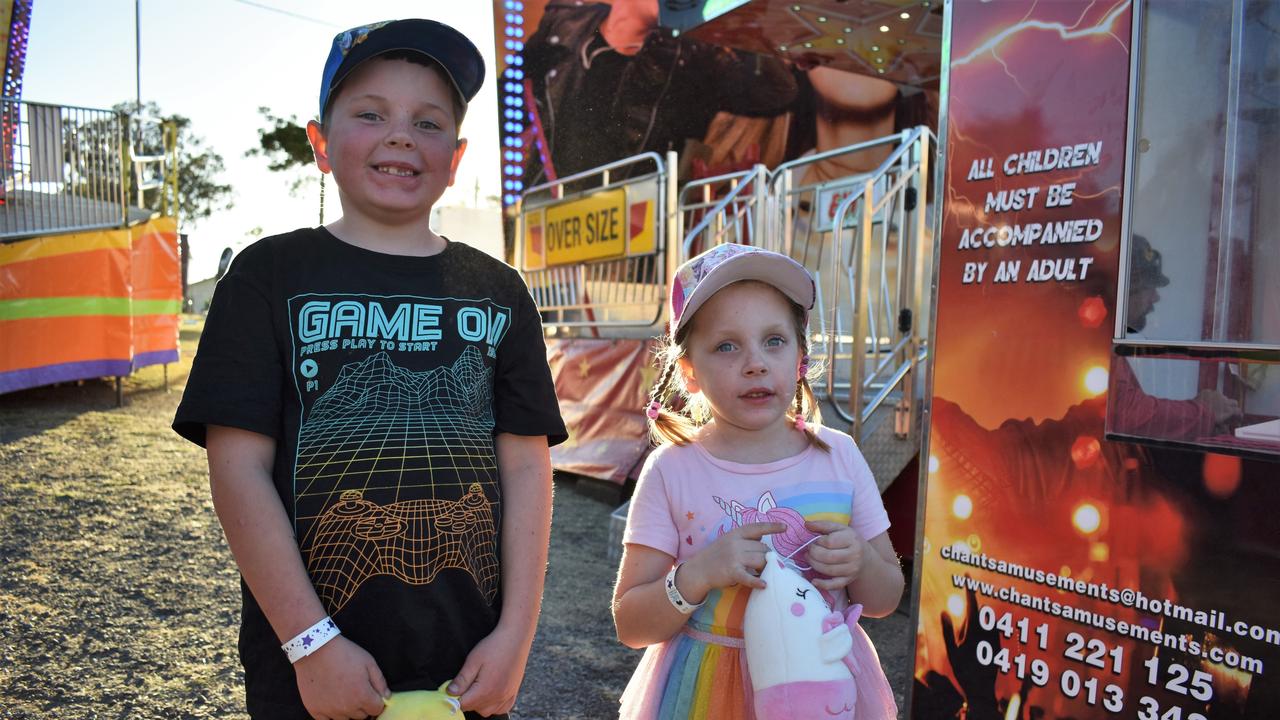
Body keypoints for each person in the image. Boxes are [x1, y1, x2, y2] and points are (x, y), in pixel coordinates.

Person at [172, 19, 566, 720]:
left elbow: (528, 469)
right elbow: (237, 469)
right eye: (370, 114)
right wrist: (312, 642)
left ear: (456, 155)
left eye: (428, 121)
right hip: (309, 669)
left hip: (468, 669)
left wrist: (515, 637)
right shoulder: (266, 275)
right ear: (319, 144)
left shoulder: (501, 291)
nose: (401, 135)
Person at [611, 243, 902, 718]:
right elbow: (631, 624)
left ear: (800, 356)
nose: (755, 362)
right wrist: (697, 575)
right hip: (706, 696)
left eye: (774, 340)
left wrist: (860, 561)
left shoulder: (840, 456)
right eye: (727, 345)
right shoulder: (671, 469)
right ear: (689, 373)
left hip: (822, 687)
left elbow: (886, 597)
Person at [521, 0, 798, 186]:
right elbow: (506, 105)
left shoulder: (692, 58)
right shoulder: (567, 23)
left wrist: (738, 28)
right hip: (544, 223)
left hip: (633, 239)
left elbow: (777, 92)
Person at [1111, 234, 1241, 439]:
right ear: (1123, 289)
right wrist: (1203, 413)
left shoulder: (1109, 338)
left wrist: (1201, 417)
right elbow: (1124, 413)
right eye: (1148, 286)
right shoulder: (1088, 340)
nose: (1156, 297)